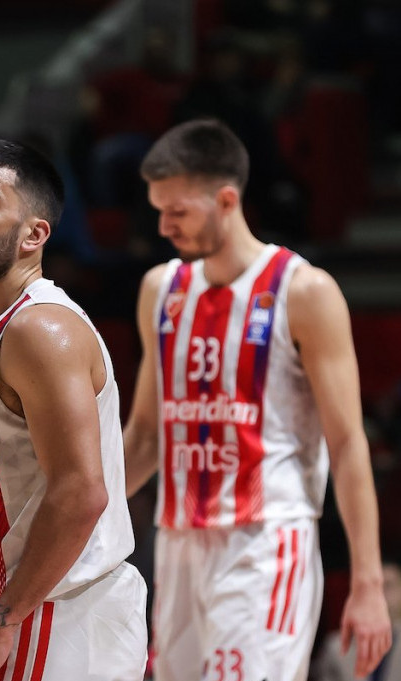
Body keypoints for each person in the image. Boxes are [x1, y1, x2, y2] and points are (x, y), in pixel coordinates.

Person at [122, 117, 392, 681]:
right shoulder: (160, 290)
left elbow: (348, 444)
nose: (164, 226)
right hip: (178, 541)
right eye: (158, 210)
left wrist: (367, 582)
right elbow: (145, 437)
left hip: (265, 539)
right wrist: (72, 524)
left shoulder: (304, 291)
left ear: (226, 200)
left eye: (178, 211)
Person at [0, 139, 147, 681]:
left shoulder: (40, 329)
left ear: (33, 235)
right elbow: (3, 509)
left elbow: (80, 492)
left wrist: (0, 621)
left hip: (62, 614)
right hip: (22, 606)